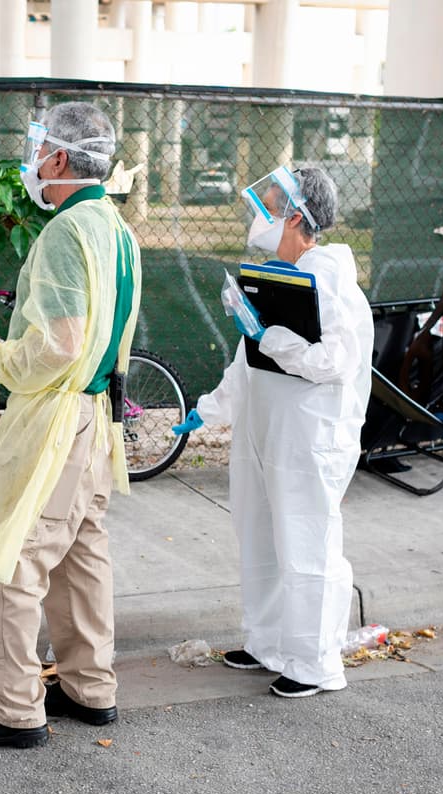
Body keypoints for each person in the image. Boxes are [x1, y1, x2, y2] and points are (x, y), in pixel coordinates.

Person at [0, 102, 142, 749]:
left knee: (10, 557)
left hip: (54, 418)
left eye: (37, 149)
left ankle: (11, 709)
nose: (32, 162)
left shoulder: (64, 232)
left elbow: (59, 342)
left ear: (58, 157)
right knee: (82, 554)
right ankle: (89, 686)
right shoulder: (117, 228)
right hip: (96, 417)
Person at [172, 165, 373, 698]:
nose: (257, 214)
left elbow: (332, 359)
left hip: (309, 437)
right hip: (265, 431)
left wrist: (272, 335)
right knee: (259, 536)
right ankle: (268, 643)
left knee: (307, 543)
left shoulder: (329, 278)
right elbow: (248, 360)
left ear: (296, 215)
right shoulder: (279, 273)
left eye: (268, 204)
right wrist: (210, 408)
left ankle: (314, 663)